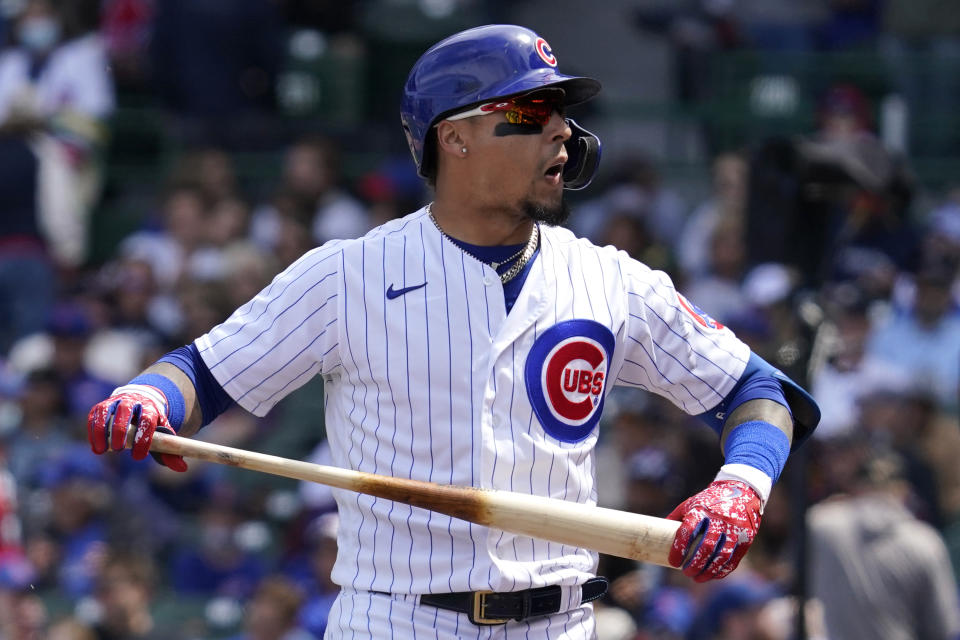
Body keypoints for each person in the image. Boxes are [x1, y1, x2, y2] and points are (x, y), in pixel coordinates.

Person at [86, 24, 820, 638]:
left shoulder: (611, 277)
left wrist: (742, 486)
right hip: (398, 620)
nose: (561, 130)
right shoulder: (348, 273)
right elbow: (205, 373)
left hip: (560, 622)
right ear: (456, 139)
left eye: (561, 113)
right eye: (531, 113)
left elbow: (757, 390)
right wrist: (150, 397)